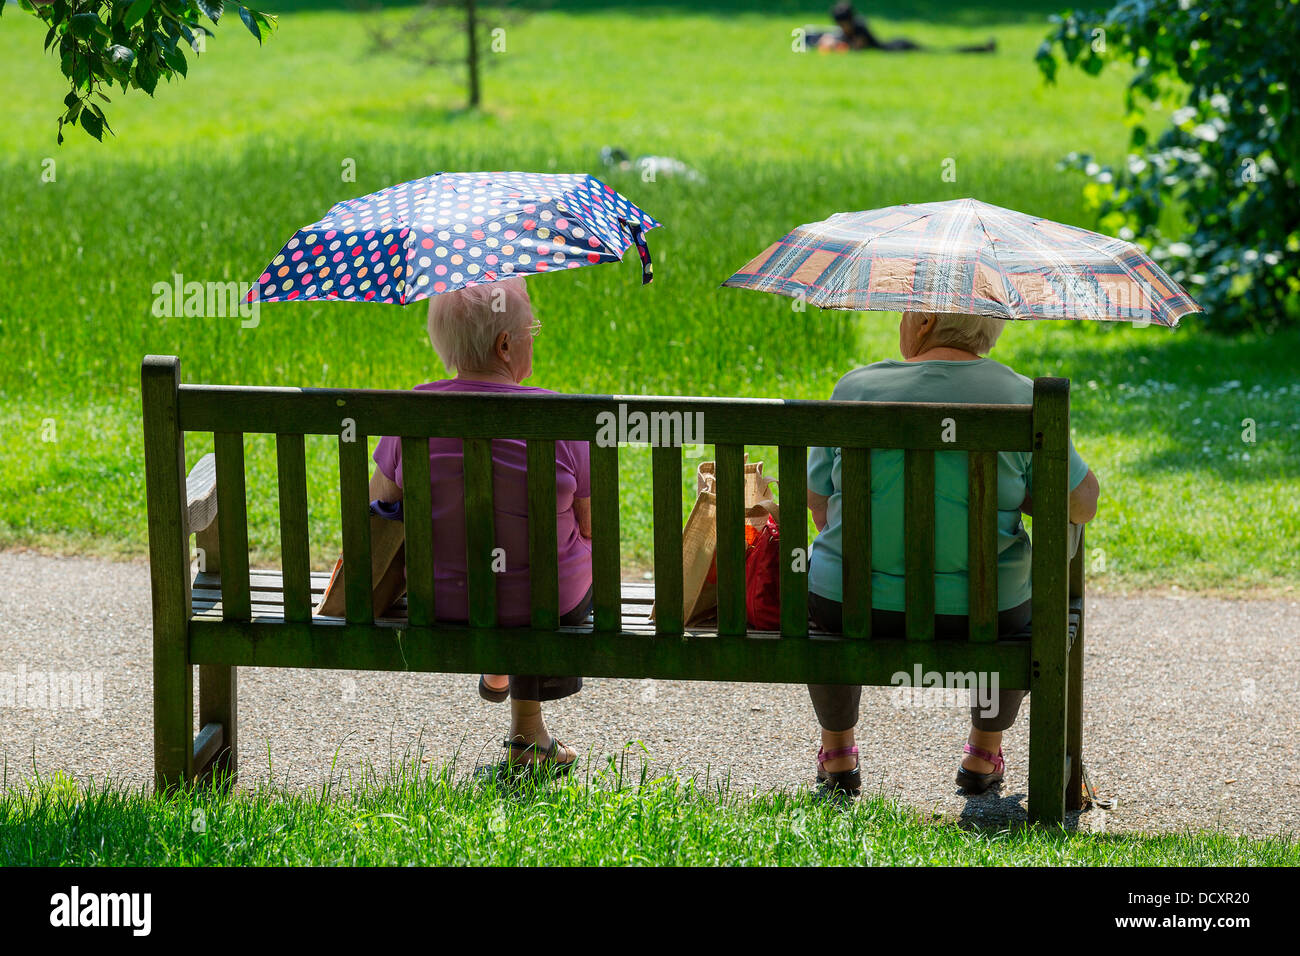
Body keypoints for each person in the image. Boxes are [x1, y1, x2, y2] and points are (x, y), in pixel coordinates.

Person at [804, 310, 1100, 802]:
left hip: (851, 607)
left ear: (924, 321)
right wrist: (1018, 495)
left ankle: (837, 752)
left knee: (828, 592)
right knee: (1014, 610)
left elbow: (818, 503)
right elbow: (1081, 502)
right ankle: (984, 753)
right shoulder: (1022, 395)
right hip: (984, 615)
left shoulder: (854, 388)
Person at [368, 277, 593, 778]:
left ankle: (504, 684)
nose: (533, 336)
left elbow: (379, 511)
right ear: (505, 344)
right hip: (549, 603)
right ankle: (526, 733)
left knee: (509, 577)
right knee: (547, 572)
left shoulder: (414, 413)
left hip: (445, 600)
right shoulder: (559, 416)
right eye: (529, 329)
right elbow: (590, 523)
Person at [814, 2, 995, 54]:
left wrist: (834, 46)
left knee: (941, 52)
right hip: (895, 44)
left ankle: (981, 49)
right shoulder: (850, 29)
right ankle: (982, 49)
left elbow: (857, 48)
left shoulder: (860, 27)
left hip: (898, 48)